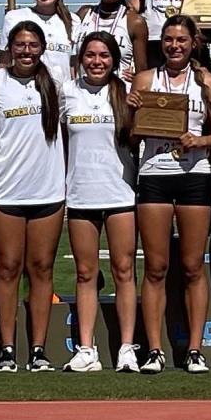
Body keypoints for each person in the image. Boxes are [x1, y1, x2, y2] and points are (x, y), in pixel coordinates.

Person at [129, 15, 211, 373]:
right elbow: (130, 135)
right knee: (155, 266)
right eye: (168, 39)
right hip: (155, 172)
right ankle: (154, 350)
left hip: (194, 174)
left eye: (181, 40)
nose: (174, 46)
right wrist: (132, 110)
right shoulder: (145, 79)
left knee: (192, 266)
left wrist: (198, 140)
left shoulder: (208, 82)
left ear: (193, 43)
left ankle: (195, 349)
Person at [0, 21, 67, 373]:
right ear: (11, 47)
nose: (26, 51)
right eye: (20, 45)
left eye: (33, 45)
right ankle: (6, 348)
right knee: (8, 269)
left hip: (48, 190)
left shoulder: (56, 85)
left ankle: (38, 348)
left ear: (42, 48)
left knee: (42, 269)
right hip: (5, 190)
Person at [62, 31, 139, 373]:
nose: (97, 61)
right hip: (80, 192)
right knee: (85, 272)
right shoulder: (67, 92)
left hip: (121, 192)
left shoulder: (126, 94)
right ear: (81, 58)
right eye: (91, 55)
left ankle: (126, 347)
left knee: (124, 270)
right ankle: (86, 348)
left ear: (114, 60)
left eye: (104, 56)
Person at [0, 0, 80, 79]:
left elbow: (73, 69)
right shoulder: (15, 18)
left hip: (62, 96)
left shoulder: (74, 21)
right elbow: (4, 63)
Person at [76, 0, 148, 83]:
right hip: (84, 95)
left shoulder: (134, 22)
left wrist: (136, 76)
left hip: (118, 96)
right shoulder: (83, 14)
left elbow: (142, 72)